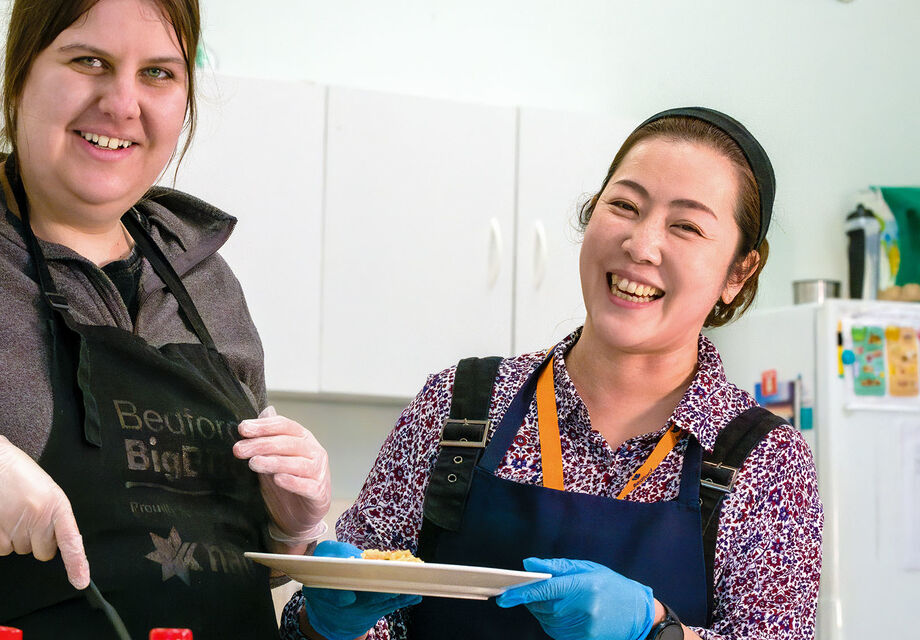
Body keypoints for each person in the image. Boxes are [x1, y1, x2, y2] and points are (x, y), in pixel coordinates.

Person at [0, 0, 331, 638]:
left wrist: (288, 532)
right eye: (89, 61)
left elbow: (202, 559)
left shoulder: (206, 282)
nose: (122, 104)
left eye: (158, 73)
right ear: (21, 73)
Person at [279, 108, 822, 640]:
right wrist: (330, 624)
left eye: (686, 226)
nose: (640, 245)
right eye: (625, 205)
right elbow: (352, 610)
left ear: (739, 272)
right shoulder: (460, 407)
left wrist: (658, 632)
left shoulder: (766, 463)